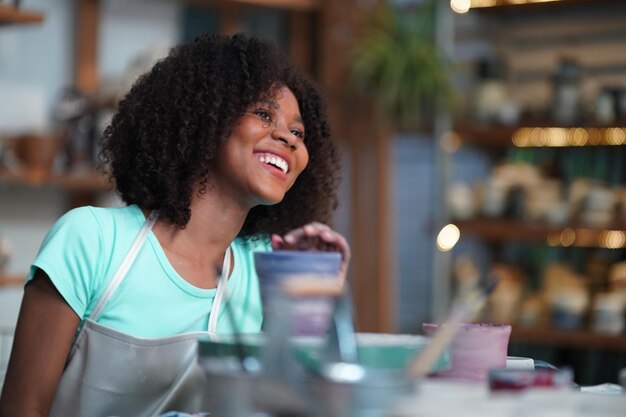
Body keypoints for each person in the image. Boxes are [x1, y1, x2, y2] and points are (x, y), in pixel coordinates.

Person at [0, 33, 350, 417]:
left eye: (298, 132)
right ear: (207, 117)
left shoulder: (265, 264)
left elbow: (292, 405)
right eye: (264, 114)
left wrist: (312, 294)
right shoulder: (91, 240)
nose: (287, 137)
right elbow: (23, 408)